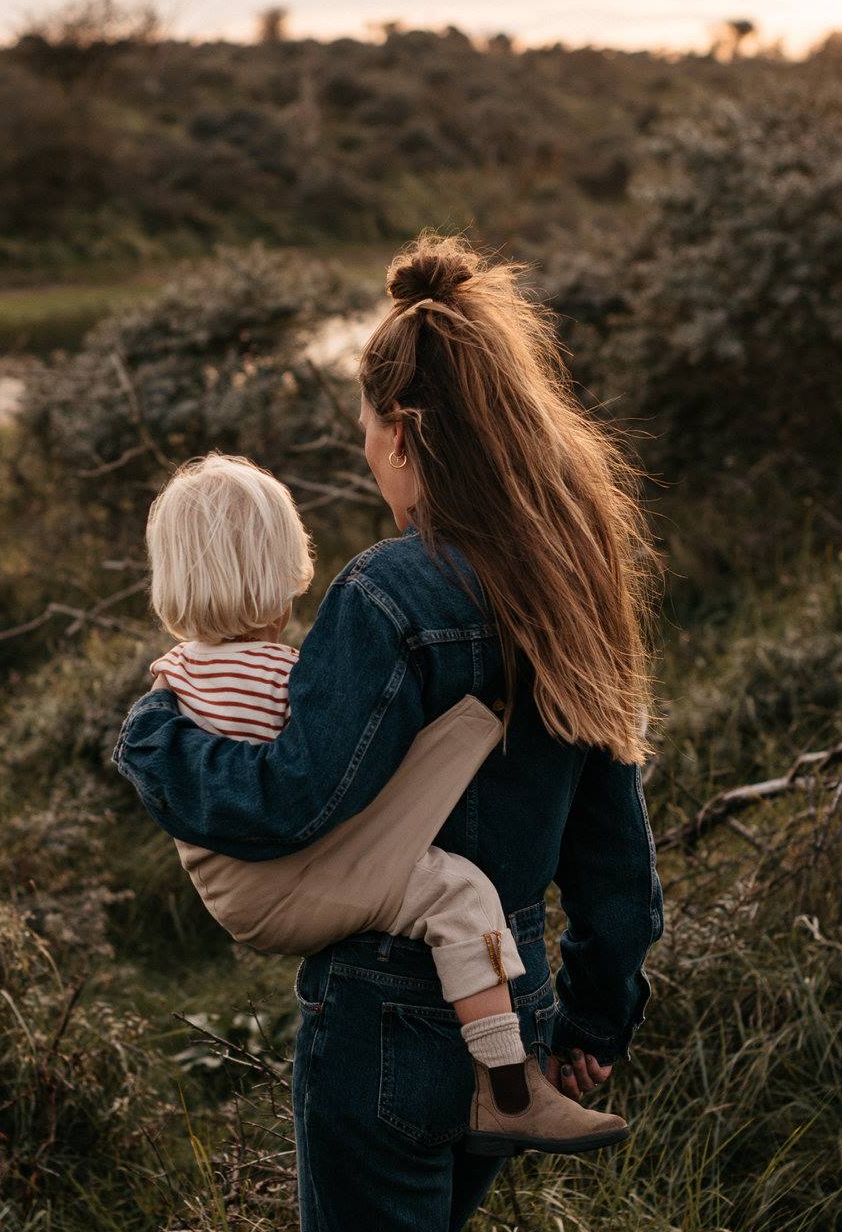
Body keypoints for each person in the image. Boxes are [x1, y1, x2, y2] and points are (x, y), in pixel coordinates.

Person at [113, 231, 664, 1232]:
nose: (365, 456)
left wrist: (153, 735)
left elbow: (288, 802)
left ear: (406, 427)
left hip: (383, 1030)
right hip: (502, 1021)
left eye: (368, 430)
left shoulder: (390, 595)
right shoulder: (572, 577)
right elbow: (613, 850)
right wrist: (592, 1022)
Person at [141, 449, 628, 1154]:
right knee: (458, 894)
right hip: (297, 880)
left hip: (237, 891)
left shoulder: (174, 677)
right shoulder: (291, 676)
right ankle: (507, 1085)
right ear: (286, 569)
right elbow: (323, 784)